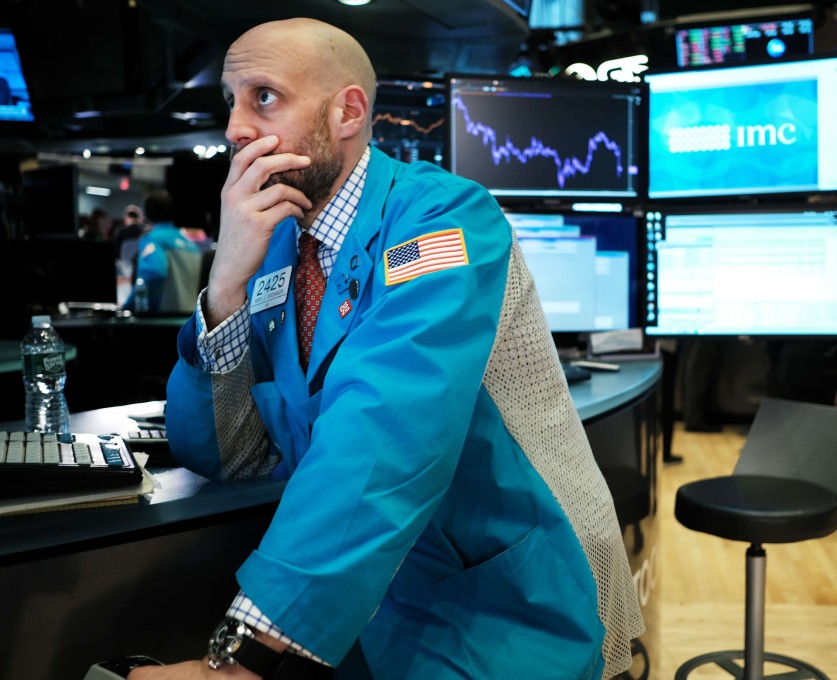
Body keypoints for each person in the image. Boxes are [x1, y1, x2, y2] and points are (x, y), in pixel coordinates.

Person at [131, 17, 642, 680]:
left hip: (519, 588)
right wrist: (224, 287)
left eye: (263, 96)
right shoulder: (276, 249)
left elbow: (388, 422)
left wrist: (245, 658)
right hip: (390, 588)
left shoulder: (446, 219)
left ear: (348, 111)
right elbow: (230, 450)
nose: (233, 128)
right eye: (230, 100)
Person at [124, 190, 202, 314]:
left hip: (163, 321)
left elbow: (154, 273)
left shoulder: (152, 239)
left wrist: (128, 306)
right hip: (189, 320)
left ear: (146, 215)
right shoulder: (190, 243)